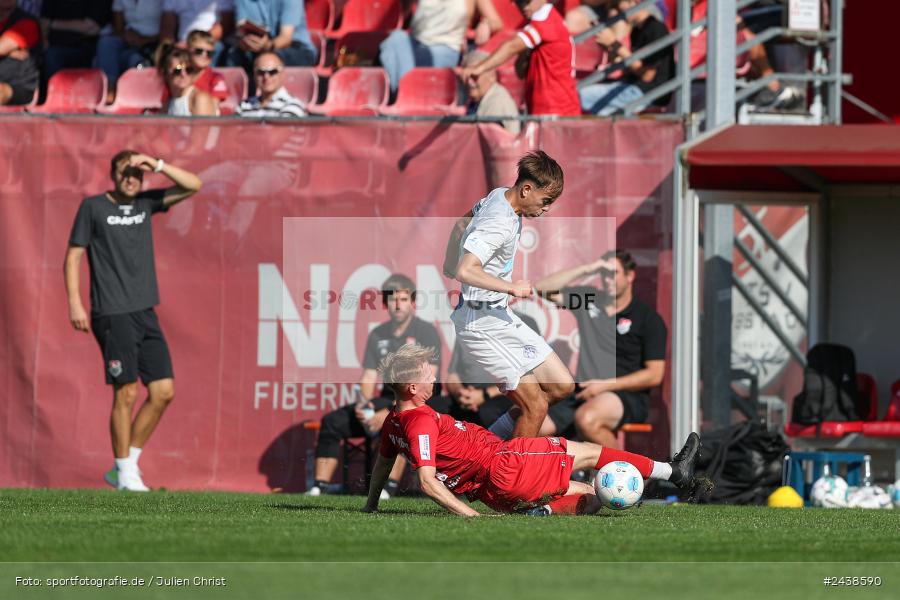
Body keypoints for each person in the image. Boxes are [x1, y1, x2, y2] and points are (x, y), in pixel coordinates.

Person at [362, 344, 700, 516]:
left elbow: (381, 467)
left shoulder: (394, 421)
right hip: (507, 462)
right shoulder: (420, 421)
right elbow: (426, 480)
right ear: (410, 388)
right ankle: (672, 471)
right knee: (586, 451)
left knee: (593, 495)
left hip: (493, 491)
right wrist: (470, 517)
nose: (431, 378)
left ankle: (545, 511)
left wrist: (371, 506)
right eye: (424, 375)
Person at [64, 150, 202, 491]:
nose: (130, 178)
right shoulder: (93, 207)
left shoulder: (145, 203)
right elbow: (73, 256)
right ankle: (125, 473)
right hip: (111, 312)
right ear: (112, 174)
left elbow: (194, 185)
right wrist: (75, 303)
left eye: (136, 173)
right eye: (125, 172)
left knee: (163, 391)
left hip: (145, 311)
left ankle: (124, 467)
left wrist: (156, 165)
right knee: (125, 392)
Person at [443, 151, 575, 441]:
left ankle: (484, 452)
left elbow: (460, 224)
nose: (547, 209)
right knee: (536, 406)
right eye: (546, 201)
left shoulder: (500, 195)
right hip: (479, 322)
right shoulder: (499, 221)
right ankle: (509, 481)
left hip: (498, 315)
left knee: (561, 386)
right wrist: (512, 287)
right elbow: (468, 270)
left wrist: (448, 263)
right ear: (527, 189)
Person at [306, 274, 443, 499]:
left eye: (403, 299)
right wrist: (365, 407)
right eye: (392, 300)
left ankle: (387, 488)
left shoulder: (426, 332)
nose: (397, 304)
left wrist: (388, 412)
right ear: (385, 304)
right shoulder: (377, 334)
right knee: (332, 421)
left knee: (402, 422)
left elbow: (426, 381)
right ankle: (318, 487)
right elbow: (369, 376)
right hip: (385, 399)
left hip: (419, 400)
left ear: (413, 302)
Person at [536, 249, 666, 448]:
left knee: (587, 418)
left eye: (613, 273)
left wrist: (605, 385)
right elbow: (542, 288)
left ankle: (623, 473)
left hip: (625, 395)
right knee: (533, 424)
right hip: (582, 391)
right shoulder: (589, 300)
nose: (607, 280)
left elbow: (654, 375)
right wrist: (590, 268)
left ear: (630, 276)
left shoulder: (647, 319)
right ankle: (545, 477)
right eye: (603, 273)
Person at [460, 0, 579, 117]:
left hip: (556, 110)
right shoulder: (543, 23)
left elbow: (511, 47)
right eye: (518, 2)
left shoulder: (545, 21)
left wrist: (479, 68)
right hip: (547, 109)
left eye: (527, 1)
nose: (523, 7)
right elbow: (520, 72)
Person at [379, 0, 502, 94]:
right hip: (415, 43)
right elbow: (402, 15)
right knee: (395, 39)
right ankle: (401, 94)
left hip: (446, 47)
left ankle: (409, 94)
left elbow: (496, 21)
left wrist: (485, 24)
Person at [445, 310, 540, 427]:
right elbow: (452, 375)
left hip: (505, 395)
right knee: (435, 407)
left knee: (487, 413)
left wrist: (484, 394)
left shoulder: (524, 323)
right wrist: (460, 393)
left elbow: (534, 374)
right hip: (466, 397)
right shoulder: (465, 325)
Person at [578, 0, 674, 115]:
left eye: (620, 4)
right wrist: (609, 47)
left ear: (634, 2)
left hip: (647, 94)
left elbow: (648, 75)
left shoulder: (655, 28)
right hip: (633, 87)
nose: (618, 10)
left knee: (578, 95)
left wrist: (614, 44)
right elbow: (630, 69)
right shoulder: (637, 30)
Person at [226, 0, 316, 80]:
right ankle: (242, 95)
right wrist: (245, 42)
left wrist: (268, 46)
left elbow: (285, 38)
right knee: (233, 55)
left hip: (298, 49)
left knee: (268, 61)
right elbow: (241, 30)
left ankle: (265, 96)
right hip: (260, 48)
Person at [95, 0, 163, 102]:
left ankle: (133, 100)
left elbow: (168, 32)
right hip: (128, 42)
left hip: (153, 45)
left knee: (134, 59)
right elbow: (118, 29)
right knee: (106, 43)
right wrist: (128, 37)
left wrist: (143, 40)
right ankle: (109, 89)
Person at [39, 1, 111, 82]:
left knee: (52, 56)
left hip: (83, 47)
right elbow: (43, 21)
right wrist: (45, 39)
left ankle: (56, 93)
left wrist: (52, 24)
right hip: (51, 45)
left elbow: (92, 28)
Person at [463, 50, 520, 135]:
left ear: (492, 76)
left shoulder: (497, 101)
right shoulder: (476, 100)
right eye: (467, 76)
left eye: (475, 76)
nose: (470, 82)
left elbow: (489, 141)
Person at [237, 51, 305, 117]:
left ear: (282, 74)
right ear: (254, 75)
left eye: (272, 72)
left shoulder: (292, 105)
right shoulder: (244, 105)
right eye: (260, 72)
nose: (266, 77)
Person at [0, 0, 39, 105]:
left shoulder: (26, 22)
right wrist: (9, 52)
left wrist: (4, 51)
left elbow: (1, 47)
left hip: (20, 86)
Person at [159, 46, 217, 115]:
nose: (183, 74)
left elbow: (204, 126)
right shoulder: (167, 104)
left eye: (188, 69)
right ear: (165, 73)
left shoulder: (199, 99)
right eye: (177, 70)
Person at [159, 0, 233, 48]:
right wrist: (171, 47)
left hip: (211, 42)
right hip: (182, 44)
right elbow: (167, 27)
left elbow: (225, 25)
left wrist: (196, 44)